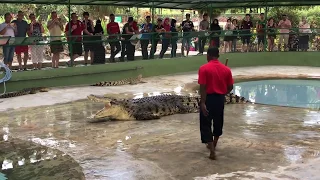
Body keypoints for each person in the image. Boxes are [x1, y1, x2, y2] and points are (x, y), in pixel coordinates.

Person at [198, 47, 234, 160]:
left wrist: (203, 102)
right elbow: (230, 87)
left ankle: (212, 150)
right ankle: (214, 143)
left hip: (208, 98)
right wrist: (223, 93)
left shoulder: (204, 68)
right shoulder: (226, 69)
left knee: (205, 123)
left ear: (208, 55)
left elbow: (202, 87)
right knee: (218, 122)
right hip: (220, 99)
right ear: (218, 55)